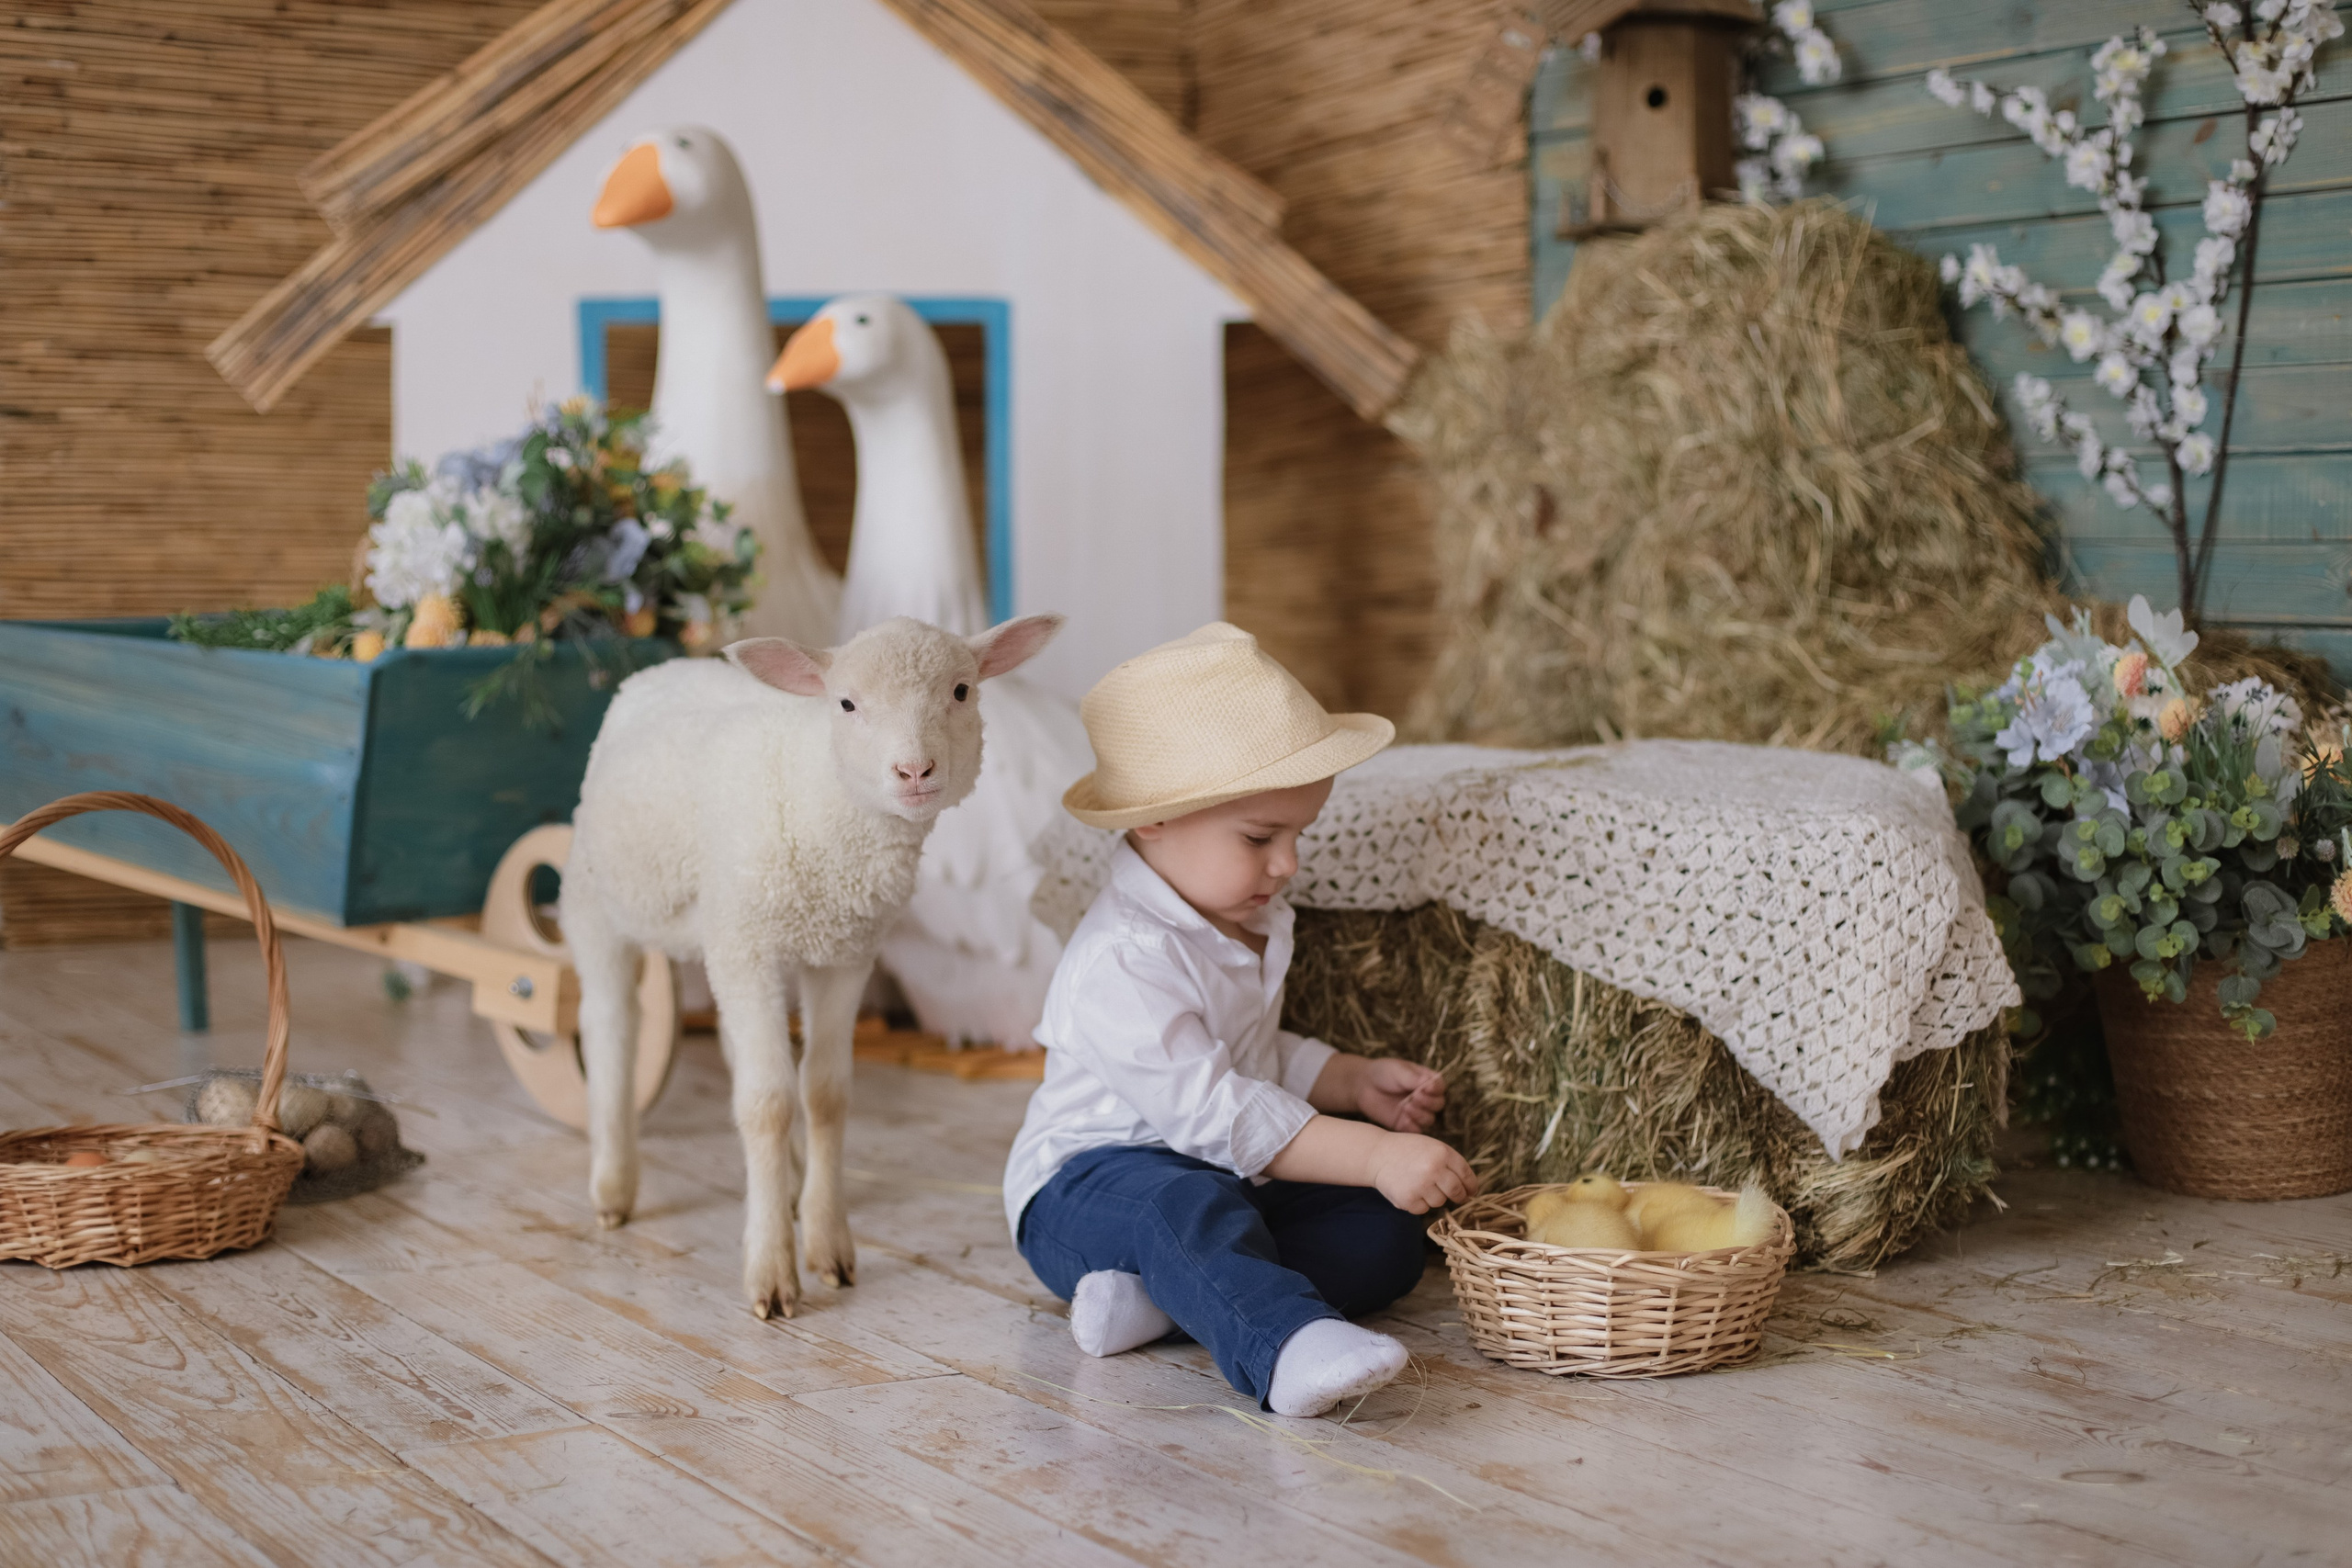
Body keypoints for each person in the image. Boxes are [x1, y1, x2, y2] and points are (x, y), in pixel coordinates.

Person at [1002, 623, 1479, 1416]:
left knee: (1385, 1233)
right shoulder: (1121, 960)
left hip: (1221, 1175)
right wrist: (1373, 1151)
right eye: (1261, 837)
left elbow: (1251, 1052)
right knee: (1180, 1206)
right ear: (1154, 820)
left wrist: (1350, 1079)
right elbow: (1216, 1110)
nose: (1288, 864)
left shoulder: (1243, 913)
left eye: (1298, 835)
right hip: (1087, 1188)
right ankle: (1284, 1347)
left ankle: (1161, 1299)